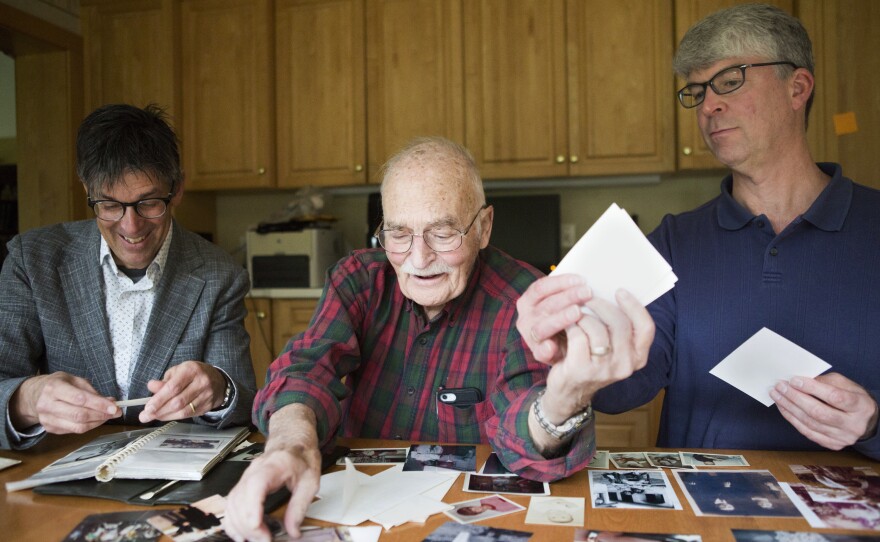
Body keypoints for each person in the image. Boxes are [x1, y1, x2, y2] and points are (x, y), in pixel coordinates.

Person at [223, 136, 654, 541]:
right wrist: (291, 446)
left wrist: (564, 398)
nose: (419, 258)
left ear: (484, 227)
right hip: (354, 511)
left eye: (443, 233)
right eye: (398, 233)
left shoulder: (525, 298)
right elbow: (306, 370)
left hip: (468, 516)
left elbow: (521, 432)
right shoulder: (358, 279)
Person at [516, 3, 880, 459]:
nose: (709, 105)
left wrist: (872, 424)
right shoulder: (671, 244)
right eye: (696, 91)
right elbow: (620, 392)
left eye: (730, 81)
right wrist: (576, 350)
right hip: (704, 521)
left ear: (798, 87)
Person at [0, 103, 256, 450]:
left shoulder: (219, 275)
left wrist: (218, 388)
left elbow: (240, 400)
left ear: (177, 187)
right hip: (53, 467)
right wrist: (26, 399)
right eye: (109, 205)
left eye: (149, 203)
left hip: (170, 474)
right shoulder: (32, 261)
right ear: (86, 190)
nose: (131, 226)